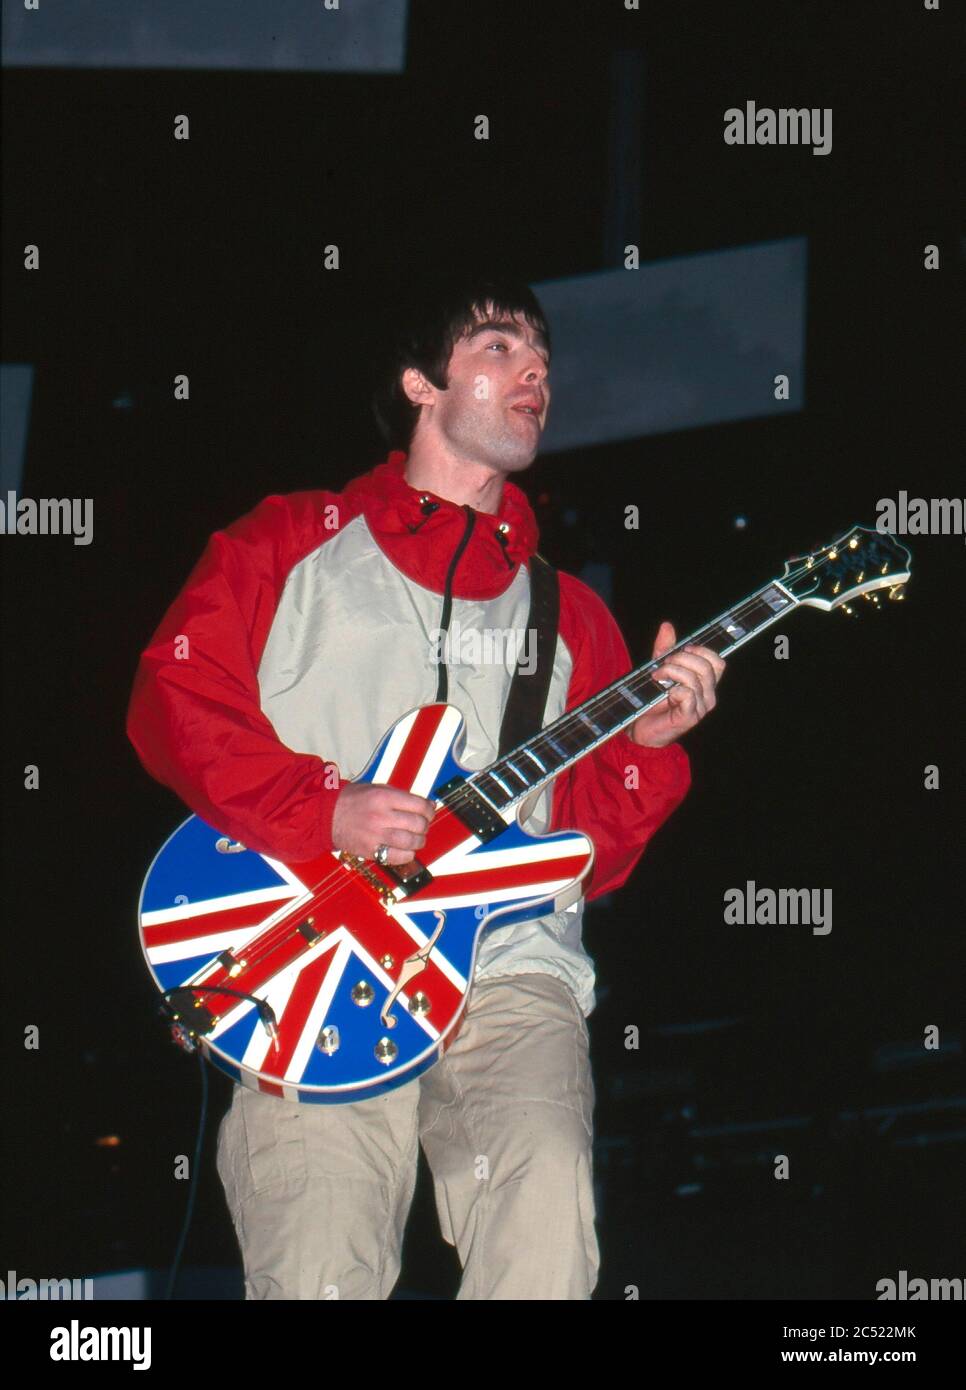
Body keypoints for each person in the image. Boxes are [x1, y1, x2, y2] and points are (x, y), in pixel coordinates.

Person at [126, 275, 725, 1300]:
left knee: (544, 1209)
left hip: (507, 960)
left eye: (541, 352)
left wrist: (650, 747)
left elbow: (586, 850)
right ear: (421, 383)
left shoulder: (573, 614)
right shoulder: (288, 538)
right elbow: (174, 697)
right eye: (499, 347)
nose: (535, 368)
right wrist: (320, 807)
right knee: (321, 1260)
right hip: (309, 949)